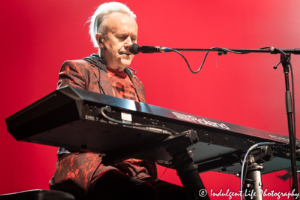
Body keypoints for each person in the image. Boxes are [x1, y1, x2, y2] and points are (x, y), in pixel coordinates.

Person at [49, 2, 209, 200]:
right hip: (91, 169)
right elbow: (68, 124)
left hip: (134, 172)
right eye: (122, 37)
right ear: (101, 40)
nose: (131, 44)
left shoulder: (136, 83)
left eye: (133, 38)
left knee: (188, 196)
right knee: (141, 194)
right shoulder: (77, 69)